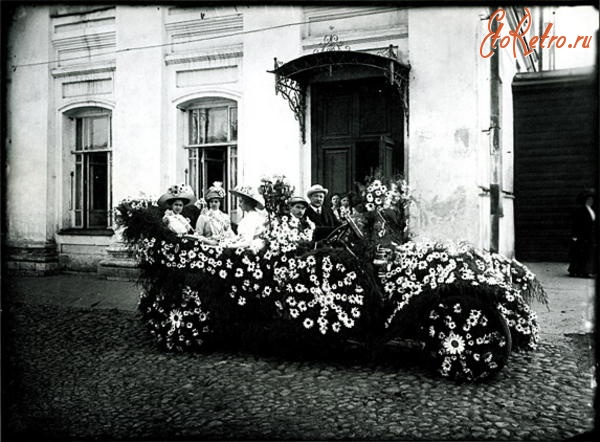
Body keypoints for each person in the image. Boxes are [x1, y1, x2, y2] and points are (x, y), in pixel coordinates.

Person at [226, 185, 267, 251]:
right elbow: (241, 237)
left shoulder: (252, 217)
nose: (239, 205)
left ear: (247, 202)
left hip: (252, 250)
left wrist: (230, 246)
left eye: (241, 201)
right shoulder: (250, 216)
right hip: (246, 247)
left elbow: (248, 241)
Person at [568, 189, 596, 278]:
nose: (590, 201)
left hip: (589, 235)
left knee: (587, 254)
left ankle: (585, 271)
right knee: (579, 253)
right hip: (581, 235)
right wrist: (574, 235)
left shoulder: (592, 210)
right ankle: (577, 271)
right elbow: (576, 223)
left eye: (591, 200)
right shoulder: (580, 210)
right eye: (589, 200)